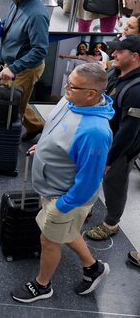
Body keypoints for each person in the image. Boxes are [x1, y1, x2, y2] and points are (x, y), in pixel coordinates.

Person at [11, 63, 113, 303]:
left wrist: (63, 206)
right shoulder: (71, 100)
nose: (66, 87)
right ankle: (93, 267)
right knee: (66, 231)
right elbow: (57, 133)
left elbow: (89, 181)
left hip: (65, 196)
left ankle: (42, 285)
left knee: (49, 240)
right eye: (68, 81)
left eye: (72, 86)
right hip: (52, 187)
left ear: (91, 94)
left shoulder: (95, 132)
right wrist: (45, 147)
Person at [85, 37, 140, 245]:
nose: (114, 54)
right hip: (100, 137)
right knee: (90, 174)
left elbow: (129, 132)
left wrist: (110, 159)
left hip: (119, 147)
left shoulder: (136, 90)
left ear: (134, 57)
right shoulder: (114, 73)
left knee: (113, 184)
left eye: (120, 51)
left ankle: (111, 223)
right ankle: (86, 205)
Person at [0, 0, 49, 144]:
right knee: (13, 99)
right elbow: (11, 22)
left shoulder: (37, 15)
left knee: (14, 106)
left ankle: (7, 141)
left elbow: (40, 50)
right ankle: (36, 125)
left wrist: (14, 68)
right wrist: (0, 27)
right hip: (12, 62)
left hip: (25, 68)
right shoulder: (18, 0)